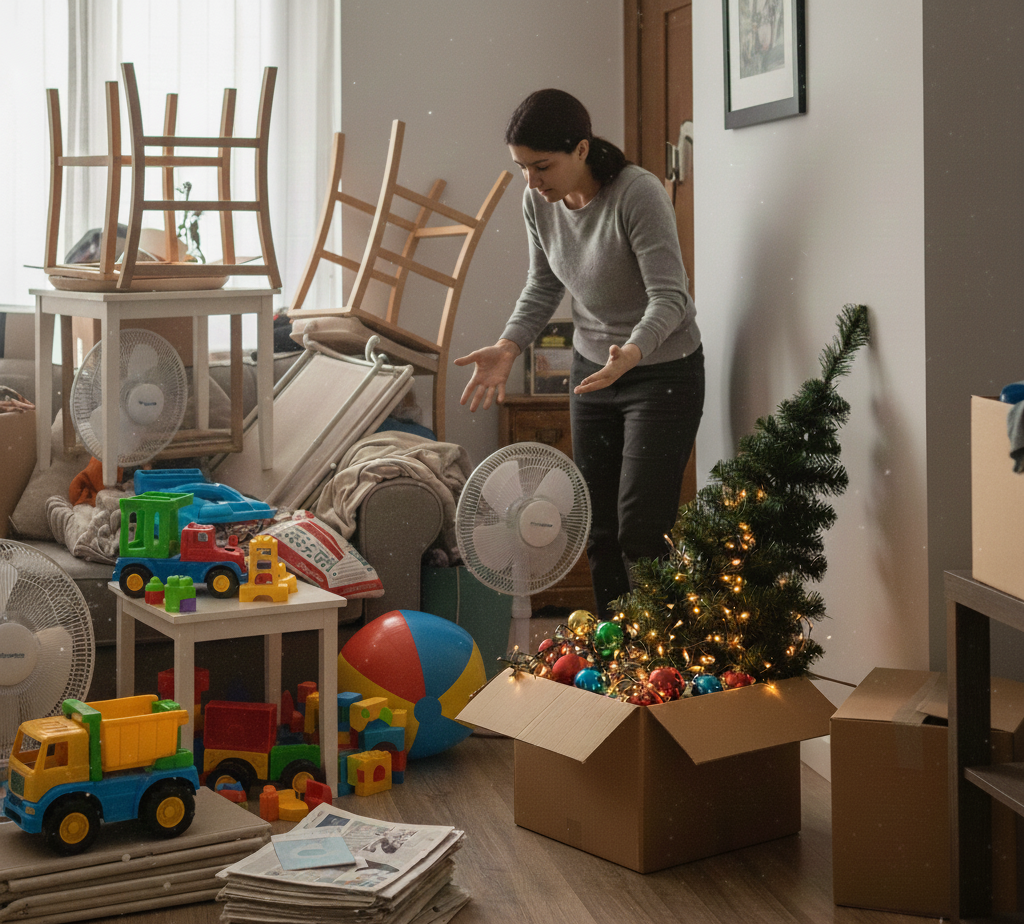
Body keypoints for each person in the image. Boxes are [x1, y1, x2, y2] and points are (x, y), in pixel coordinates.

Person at [455, 88, 704, 617]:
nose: (532, 181)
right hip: (593, 370)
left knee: (641, 527)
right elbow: (543, 286)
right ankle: (618, 651)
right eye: (522, 168)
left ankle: (660, 648)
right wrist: (508, 344)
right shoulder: (537, 204)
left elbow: (671, 297)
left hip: (661, 373)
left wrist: (633, 352)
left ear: (583, 150)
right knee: (598, 526)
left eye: (541, 166)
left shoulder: (638, 194)